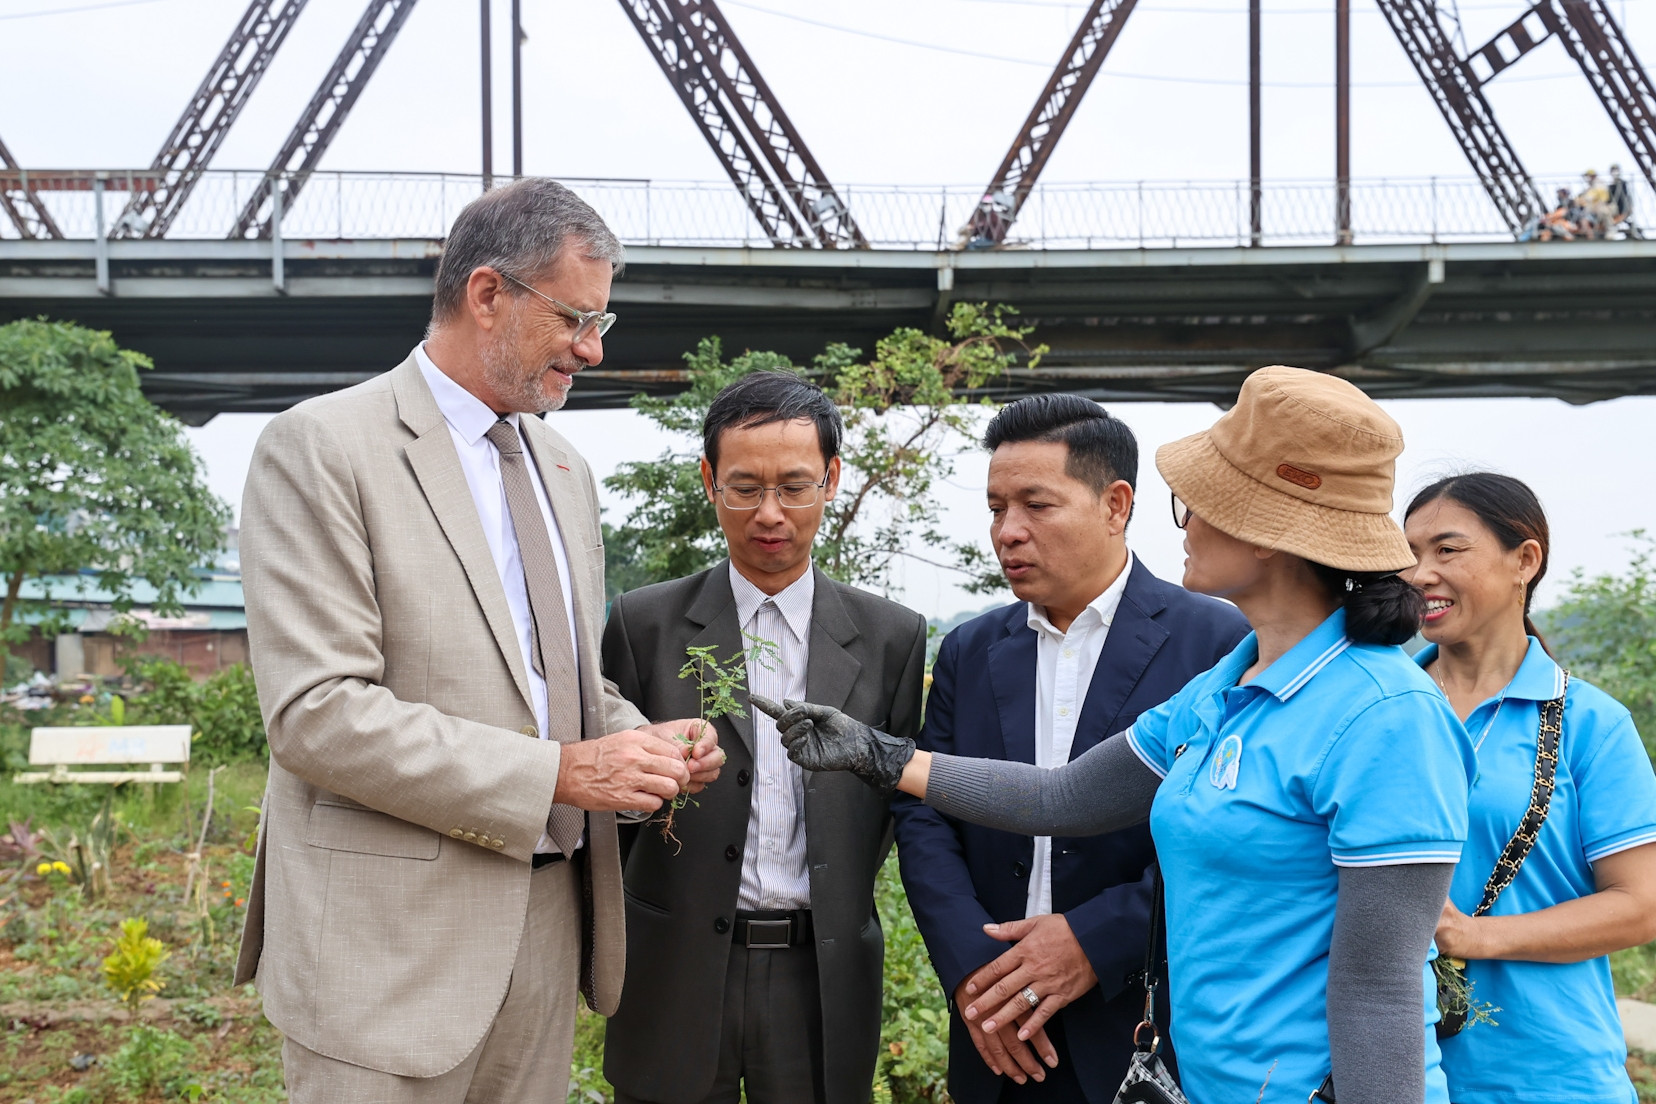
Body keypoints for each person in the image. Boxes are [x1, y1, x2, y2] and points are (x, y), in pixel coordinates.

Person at [758, 365, 1478, 1104]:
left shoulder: (1387, 718)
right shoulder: (1224, 688)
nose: (1186, 523)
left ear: (1269, 532)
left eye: (1197, 504)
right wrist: (880, 754)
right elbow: (1062, 798)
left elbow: (1378, 993)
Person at [235, 178, 720, 1103]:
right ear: (487, 293)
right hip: (383, 956)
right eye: (576, 317)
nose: (594, 348)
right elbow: (317, 715)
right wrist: (561, 775)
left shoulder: (565, 469)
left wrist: (640, 736)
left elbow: (556, 684)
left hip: (542, 936)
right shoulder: (320, 446)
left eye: (602, 318)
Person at [891, 394, 1248, 1104]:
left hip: (1142, 1018)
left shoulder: (1217, 643)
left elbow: (1229, 834)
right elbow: (925, 814)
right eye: (996, 508)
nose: (1008, 532)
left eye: (1036, 505)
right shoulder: (970, 647)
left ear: (1116, 505)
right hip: (996, 1025)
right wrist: (971, 967)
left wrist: (1094, 939)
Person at [600, 370, 929, 1104]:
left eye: (795, 485)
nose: (770, 513)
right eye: (745, 487)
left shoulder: (892, 638)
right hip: (675, 967)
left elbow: (890, 802)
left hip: (821, 974)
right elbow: (612, 801)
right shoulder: (642, 624)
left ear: (833, 479)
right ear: (709, 481)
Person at [1403, 473, 1656, 1104]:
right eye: (1409, 555)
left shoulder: (1589, 724)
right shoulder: (1383, 710)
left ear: (1526, 560)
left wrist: (1475, 936)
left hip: (1548, 1075)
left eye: (1447, 550)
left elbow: (1641, 903)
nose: (1419, 574)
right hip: (1392, 1067)